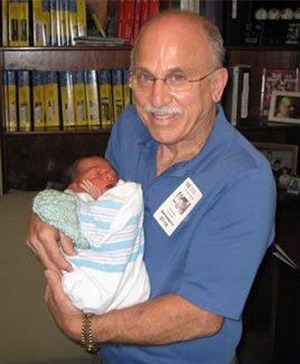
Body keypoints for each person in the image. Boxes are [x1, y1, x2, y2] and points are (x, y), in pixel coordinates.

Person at [26, 10, 276, 364]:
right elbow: (98, 200)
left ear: (217, 85)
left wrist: (86, 329)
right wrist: (49, 209)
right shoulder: (131, 125)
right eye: (144, 77)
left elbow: (201, 315)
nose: (156, 100)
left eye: (177, 78)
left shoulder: (246, 179)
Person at [32, 156, 150, 314]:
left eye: (112, 173)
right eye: (96, 174)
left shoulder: (123, 195)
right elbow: (64, 216)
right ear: (75, 186)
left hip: (129, 289)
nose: (109, 176)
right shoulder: (73, 200)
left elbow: (127, 201)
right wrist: (84, 199)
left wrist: (102, 200)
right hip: (87, 280)